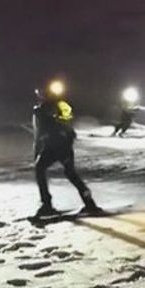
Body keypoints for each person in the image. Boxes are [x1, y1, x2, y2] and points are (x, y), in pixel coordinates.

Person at [32, 84, 100, 216]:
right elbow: (39, 133)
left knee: (65, 172)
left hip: (61, 145)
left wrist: (57, 126)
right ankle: (88, 202)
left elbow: (67, 123)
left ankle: (48, 204)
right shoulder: (40, 110)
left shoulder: (59, 106)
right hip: (52, 147)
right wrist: (38, 147)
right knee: (65, 172)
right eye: (39, 93)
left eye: (42, 93)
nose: (40, 96)